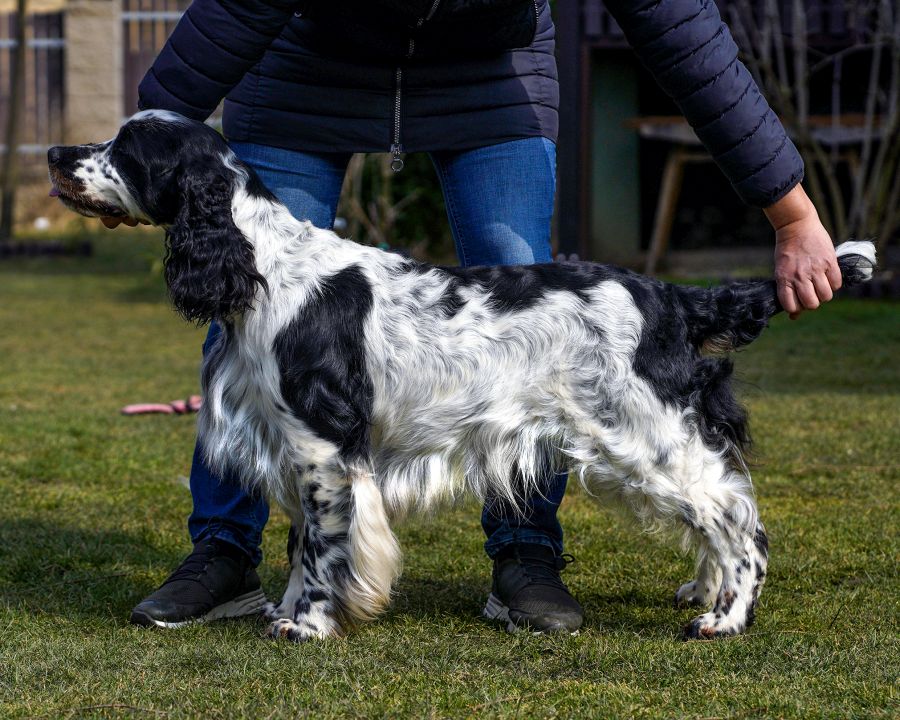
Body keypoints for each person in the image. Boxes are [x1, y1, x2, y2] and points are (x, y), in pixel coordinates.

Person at [112, 0, 841, 633]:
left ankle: (526, 556)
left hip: (490, 78)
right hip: (306, 69)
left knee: (529, 301)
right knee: (249, 301)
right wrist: (138, 158)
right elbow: (233, 13)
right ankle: (222, 552)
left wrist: (791, 210)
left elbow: (680, 27)